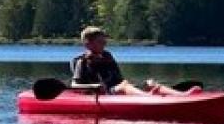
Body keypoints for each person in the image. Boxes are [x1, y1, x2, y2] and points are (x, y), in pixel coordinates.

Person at [72, 27, 200, 96]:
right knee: (125, 86)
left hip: (115, 90)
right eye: (100, 42)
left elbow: (119, 79)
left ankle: (182, 96)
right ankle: (149, 98)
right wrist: (94, 87)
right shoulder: (82, 62)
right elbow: (75, 86)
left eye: (105, 41)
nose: (104, 44)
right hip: (99, 94)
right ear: (88, 44)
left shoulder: (107, 56)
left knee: (150, 82)